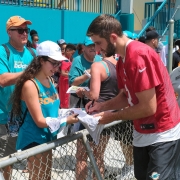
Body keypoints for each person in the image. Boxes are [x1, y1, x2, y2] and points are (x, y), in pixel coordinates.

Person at [86, 14, 180, 180]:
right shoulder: (123, 59)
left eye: (98, 43)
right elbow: (126, 96)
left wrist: (111, 117)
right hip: (143, 134)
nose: (97, 50)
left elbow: (148, 107)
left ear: (113, 37)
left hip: (162, 134)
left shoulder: (138, 55)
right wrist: (102, 106)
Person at [10, 40, 79, 180]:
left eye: (58, 63)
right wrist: (66, 120)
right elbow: (40, 121)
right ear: (41, 60)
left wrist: (67, 113)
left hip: (47, 136)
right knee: (39, 177)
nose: (57, 67)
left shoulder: (50, 80)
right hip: (34, 138)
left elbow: (53, 110)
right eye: (53, 63)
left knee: (46, 176)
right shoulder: (30, 85)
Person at [0, 15, 35, 180]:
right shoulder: (2, 51)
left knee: (33, 153)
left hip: (28, 116)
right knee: (6, 158)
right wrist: (29, 73)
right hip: (5, 117)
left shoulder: (32, 52)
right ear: (9, 32)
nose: (24, 34)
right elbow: (3, 80)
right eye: (20, 30)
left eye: (26, 30)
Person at [75, 52, 118, 179]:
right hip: (109, 115)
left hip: (93, 115)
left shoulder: (98, 66)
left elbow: (94, 95)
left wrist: (84, 92)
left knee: (81, 156)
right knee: (99, 156)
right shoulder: (118, 65)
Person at [68, 36, 101, 108]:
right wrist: (87, 74)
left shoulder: (100, 59)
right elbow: (72, 82)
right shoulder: (77, 60)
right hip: (79, 98)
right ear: (83, 47)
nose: (92, 48)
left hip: (96, 98)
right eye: (89, 46)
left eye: (94, 45)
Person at [59, 43, 76, 108]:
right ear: (67, 51)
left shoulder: (67, 59)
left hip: (66, 81)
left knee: (65, 98)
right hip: (65, 82)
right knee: (65, 98)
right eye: (72, 53)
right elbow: (63, 73)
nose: (72, 55)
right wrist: (72, 75)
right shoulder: (65, 60)